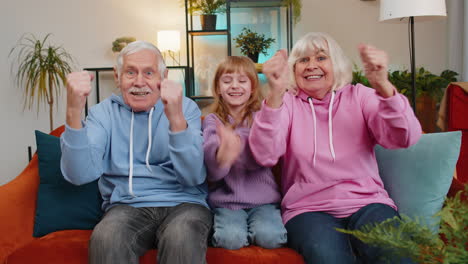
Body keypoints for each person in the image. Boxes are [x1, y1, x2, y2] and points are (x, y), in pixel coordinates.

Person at [248, 32, 422, 263]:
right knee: (328, 257)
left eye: (321, 58)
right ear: (293, 68)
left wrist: (383, 84)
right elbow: (264, 154)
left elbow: (404, 137)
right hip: (307, 209)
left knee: (396, 253)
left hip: (368, 203)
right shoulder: (287, 103)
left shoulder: (360, 96)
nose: (311, 66)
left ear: (336, 64)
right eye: (302, 60)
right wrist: (275, 94)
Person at [60, 40, 212, 264]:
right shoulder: (102, 114)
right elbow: (79, 174)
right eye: (130, 72)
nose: (139, 82)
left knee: (182, 236)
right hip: (126, 206)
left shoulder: (185, 107)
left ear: (163, 76)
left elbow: (193, 176)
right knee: (106, 237)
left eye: (148, 73)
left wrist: (176, 119)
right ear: (117, 76)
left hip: (185, 204)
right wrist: (73, 111)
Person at [202, 56, 287, 250]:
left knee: (270, 237)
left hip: (264, 202)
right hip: (227, 203)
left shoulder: (262, 118)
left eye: (242, 81)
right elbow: (212, 170)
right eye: (227, 80)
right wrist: (222, 155)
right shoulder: (212, 120)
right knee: (230, 239)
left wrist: (237, 145)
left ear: (253, 88)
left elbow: (265, 158)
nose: (234, 86)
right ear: (217, 88)